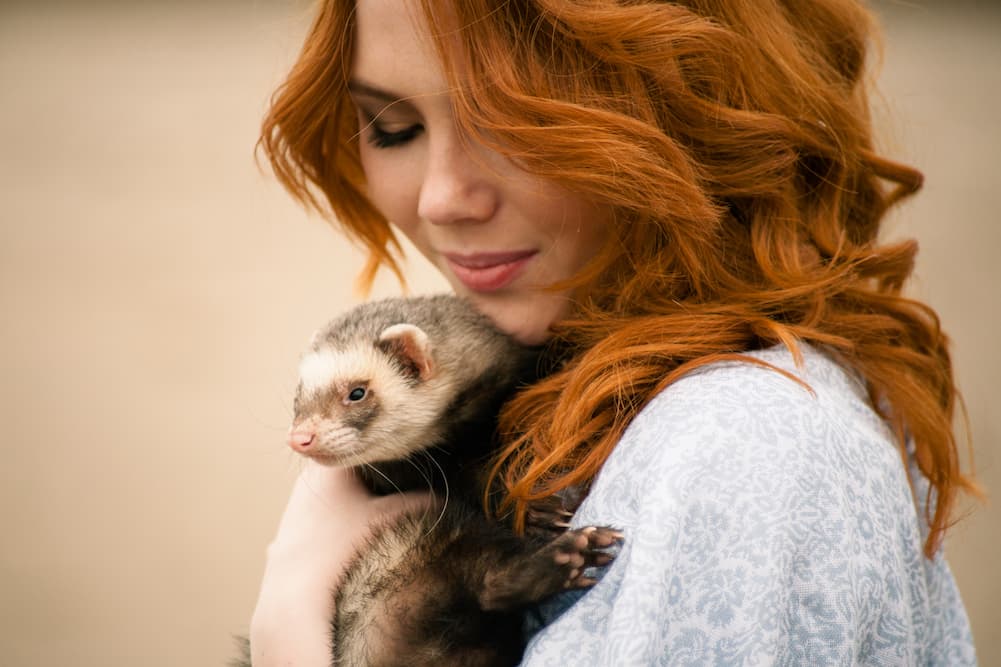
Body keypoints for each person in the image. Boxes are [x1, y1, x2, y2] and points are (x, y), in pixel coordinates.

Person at [248, 0, 980, 664]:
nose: (441, 198)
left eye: (512, 125)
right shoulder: (581, 395)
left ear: (691, 108)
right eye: (392, 128)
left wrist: (291, 646)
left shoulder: (738, 442)